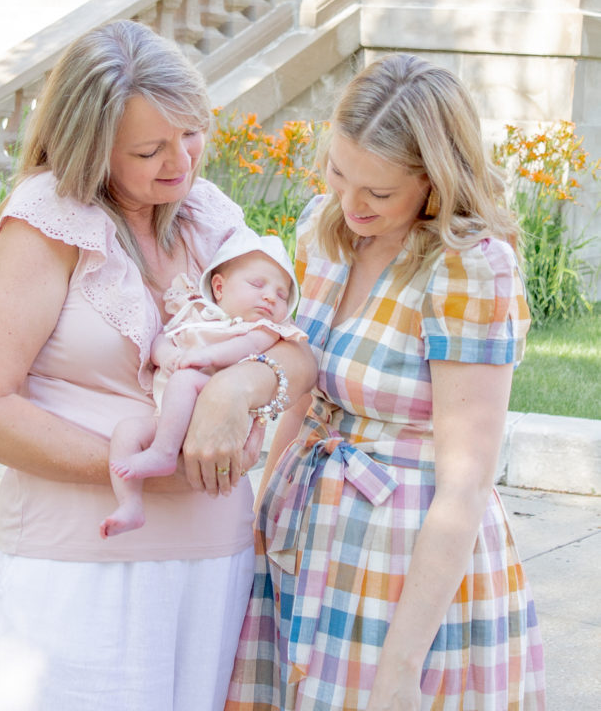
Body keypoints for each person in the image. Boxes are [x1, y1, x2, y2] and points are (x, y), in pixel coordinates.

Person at [0, 19, 315, 711]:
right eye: (150, 149)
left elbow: (297, 351)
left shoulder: (206, 211)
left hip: (213, 554)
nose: (182, 161)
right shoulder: (46, 222)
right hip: (83, 560)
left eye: (190, 134)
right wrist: (145, 468)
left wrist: (240, 385)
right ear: (92, 148)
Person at [226, 53, 546, 711]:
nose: (351, 203)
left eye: (377, 192)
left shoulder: (468, 269)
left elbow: (466, 479)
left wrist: (400, 666)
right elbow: (306, 386)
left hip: (403, 559)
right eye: (340, 174)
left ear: (434, 182)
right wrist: (258, 520)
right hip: (306, 531)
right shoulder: (326, 228)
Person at [101, 228, 307, 537]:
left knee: (184, 380)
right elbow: (161, 340)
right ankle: (129, 504)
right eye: (257, 284)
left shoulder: (262, 330)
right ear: (219, 287)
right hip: (170, 421)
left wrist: (207, 356)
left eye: (281, 294)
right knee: (126, 431)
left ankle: (164, 453)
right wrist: (167, 355)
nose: (269, 296)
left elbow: (243, 349)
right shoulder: (194, 313)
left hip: (215, 420)